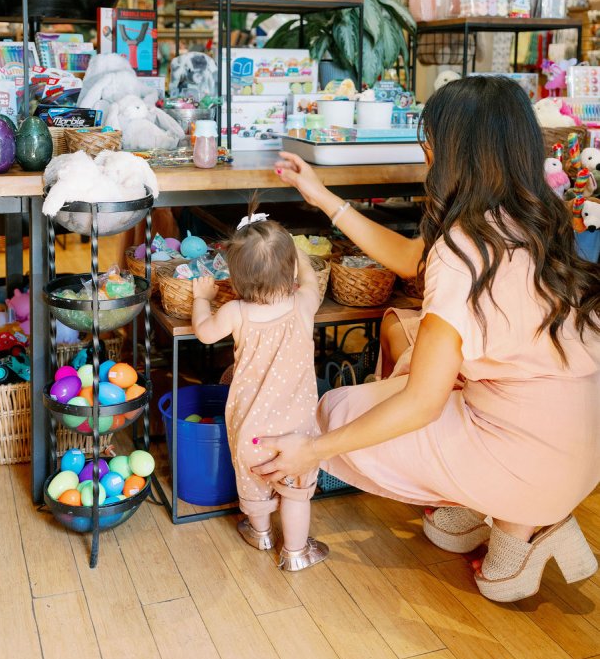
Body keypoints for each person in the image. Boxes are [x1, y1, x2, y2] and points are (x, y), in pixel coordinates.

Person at [254, 76, 600, 602]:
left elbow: (420, 403)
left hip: (529, 456)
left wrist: (313, 451)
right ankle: (512, 515)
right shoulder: (533, 217)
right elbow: (415, 260)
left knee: (337, 412)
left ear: (451, 151)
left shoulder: (462, 250)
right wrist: (322, 197)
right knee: (415, 347)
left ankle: (521, 519)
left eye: (431, 143)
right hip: (581, 444)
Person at [191, 202, 329, 571]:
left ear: (236, 279)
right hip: (299, 430)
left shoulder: (236, 311)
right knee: (296, 493)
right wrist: (298, 255)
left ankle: (262, 533)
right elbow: (313, 280)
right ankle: (296, 553)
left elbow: (204, 334)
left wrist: (201, 300)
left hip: (251, 431)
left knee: (255, 486)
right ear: (290, 272)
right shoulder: (303, 303)